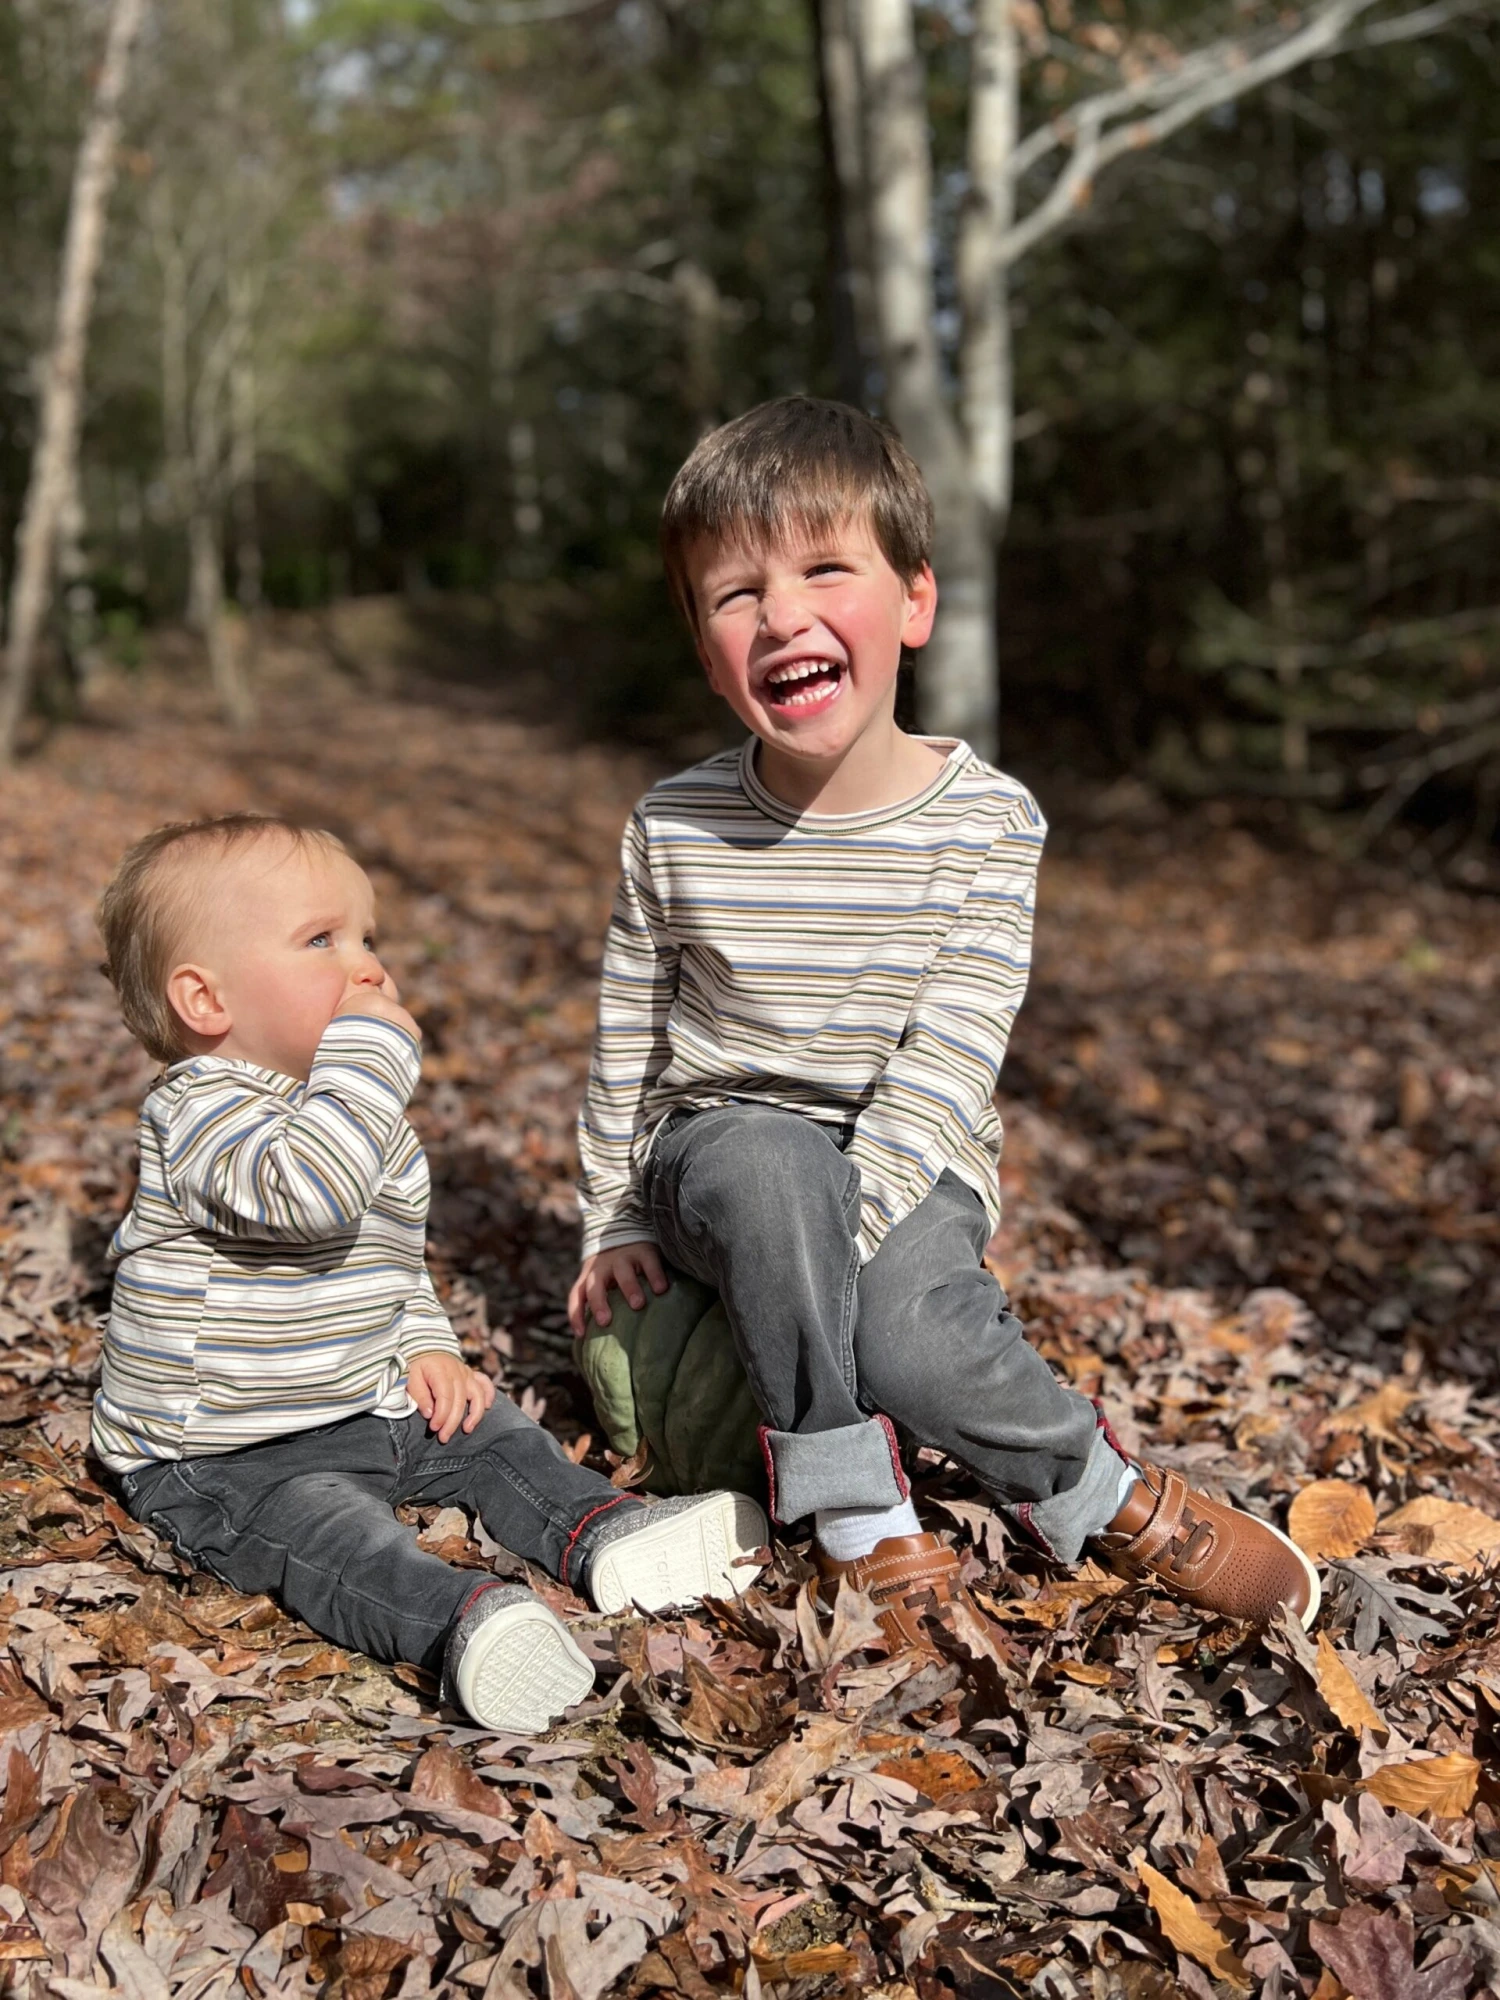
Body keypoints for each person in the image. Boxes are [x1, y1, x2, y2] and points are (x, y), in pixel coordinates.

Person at [568, 396, 1319, 1651]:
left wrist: (851, 1253)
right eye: (735, 595)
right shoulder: (674, 824)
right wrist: (612, 1211)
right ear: (705, 651)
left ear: (913, 603)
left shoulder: (987, 825)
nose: (784, 615)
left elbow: (951, 1052)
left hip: (912, 1162)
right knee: (766, 1162)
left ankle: (1103, 1494)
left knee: (917, 1331)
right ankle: (850, 1498)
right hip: (724, 1160)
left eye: (824, 569)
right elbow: (626, 1038)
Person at [93, 814, 767, 1733]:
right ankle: (464, 1624)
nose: (368, 965)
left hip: (361, 1403)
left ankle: (602, 1533)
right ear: (205, 1001)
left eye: (371, 939)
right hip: (225, 1453)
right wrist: (370, 1055)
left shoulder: (351, 1115)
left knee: (492, 1433)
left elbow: (385, 1260)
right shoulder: (201, 1110)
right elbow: (309, 1201)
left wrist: (427, 1345)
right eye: (322, 941)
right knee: (334, 1541)